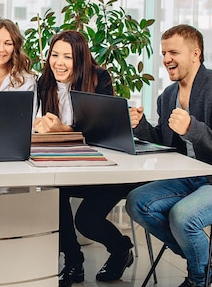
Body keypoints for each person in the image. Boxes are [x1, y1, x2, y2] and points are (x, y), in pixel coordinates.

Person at [125, 24, 212, 287]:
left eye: (173, 52)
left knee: (183, 216)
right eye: (164, 52)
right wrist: (140, 126)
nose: (166, 59)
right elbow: (165, 140)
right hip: (190, 178)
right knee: (137, 202)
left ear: (195, 54)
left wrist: (192, 128)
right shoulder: (168, 96)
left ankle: (200, 279)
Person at [34, 30, 137, 286]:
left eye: (67, 57)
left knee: (87, 221)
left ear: (80, 58)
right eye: (54, 55)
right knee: (53, 194)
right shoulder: (43, 83)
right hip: (67, 165)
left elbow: (103, 132)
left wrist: (63, 130)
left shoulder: (99, 78)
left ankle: (121, 249)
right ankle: (73, 262)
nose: (59, 62)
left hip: (105, 168)